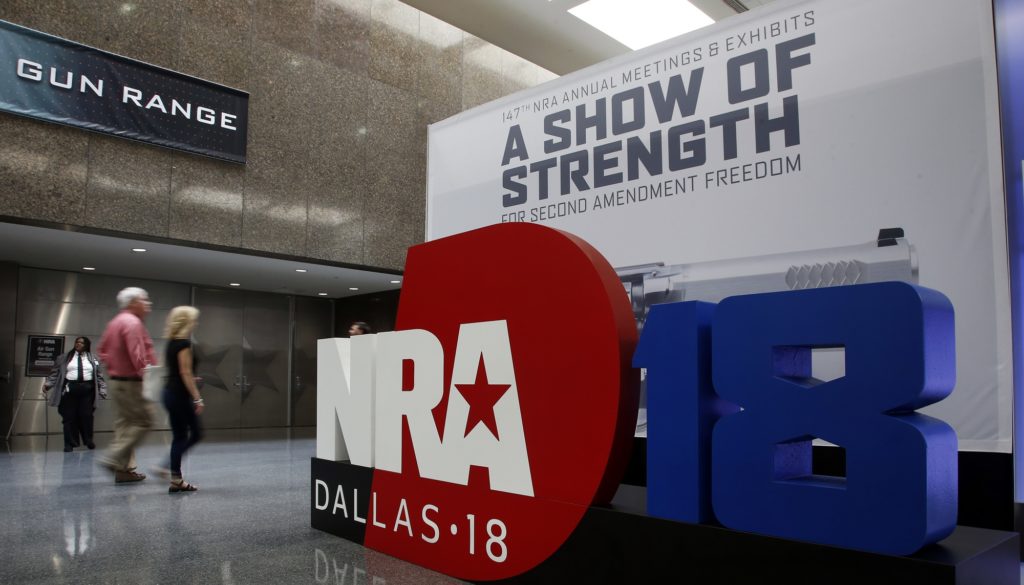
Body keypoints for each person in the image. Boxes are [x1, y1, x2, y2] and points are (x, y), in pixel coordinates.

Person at [97, 287, 156, 484]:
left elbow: (102, 351)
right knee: (144, 421)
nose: (148, 305)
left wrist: (114, 368)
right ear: (133, 303)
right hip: (131, 382)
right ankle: (113, 456)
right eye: (144, 300)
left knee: (125, 424)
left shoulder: (115, 322)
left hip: (117, 381)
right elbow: (137, 354)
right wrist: (146, 377)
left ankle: (123, 470)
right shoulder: (132, 322)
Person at [160, 306, 205, 493]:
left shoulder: (171, 342)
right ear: (187, 321)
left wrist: (191, 380)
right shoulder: (184, 344)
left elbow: (178, 372)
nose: (196, 322)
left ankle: (176, 479)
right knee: (195, 433)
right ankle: (165, 467)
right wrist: (197, 398)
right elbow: (185, 372)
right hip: (179, 395)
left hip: (169, 393)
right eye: (194, 319)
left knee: (179, 436)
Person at [43, 336, 107, 452]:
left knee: (86, 415)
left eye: (81, 343)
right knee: (69, 417)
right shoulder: (64, 358)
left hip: (87, 391)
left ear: (86, 345)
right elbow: (55, 374)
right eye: (77, 342)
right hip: (70, 389)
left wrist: (103, 389)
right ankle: (69, 443)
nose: (78, 344)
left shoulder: (93, 359)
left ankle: (88, 440)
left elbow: (99, 376)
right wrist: (48, 384)